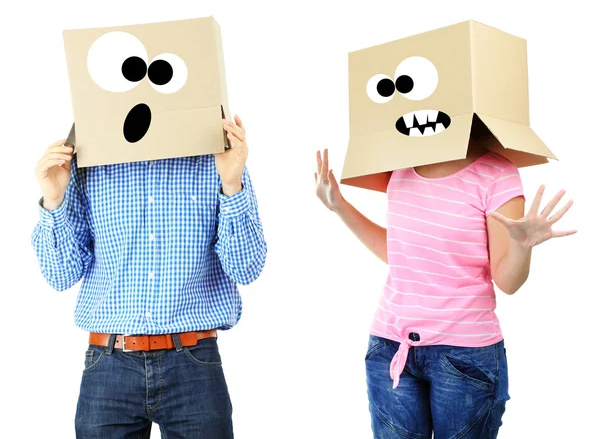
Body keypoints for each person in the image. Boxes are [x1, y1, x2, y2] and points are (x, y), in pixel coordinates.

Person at [314, 139, 575, 439]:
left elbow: (508, 281)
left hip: (464, 357)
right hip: (391, 349)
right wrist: (339, 206)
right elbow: (400, 253)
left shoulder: (496, 173)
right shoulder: (401, 168)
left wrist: (521, 245)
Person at [32, 116, 266, 438]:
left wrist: (231, 182)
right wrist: (54, 198)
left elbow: (247, 267)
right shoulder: (89, 159)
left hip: (193, 361)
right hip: (109, 363)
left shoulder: (216, 157)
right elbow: (60, 275)